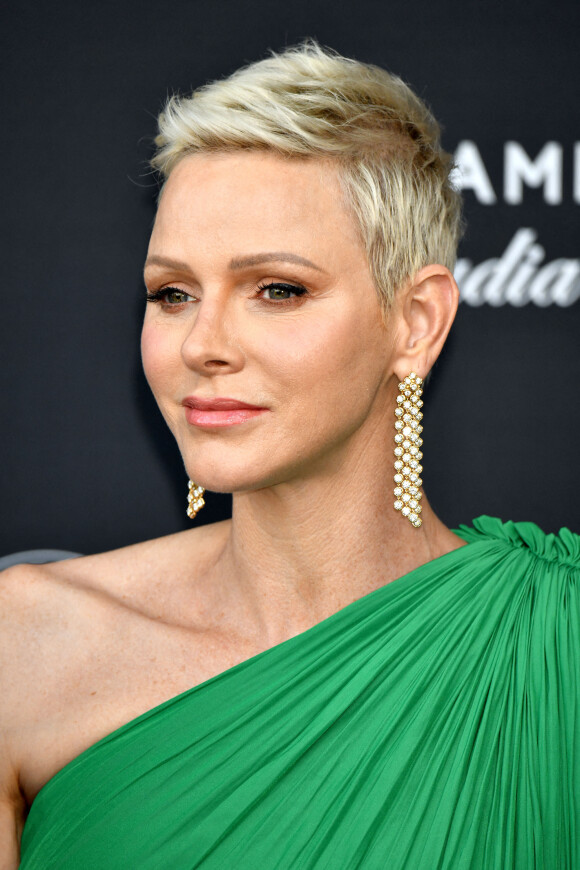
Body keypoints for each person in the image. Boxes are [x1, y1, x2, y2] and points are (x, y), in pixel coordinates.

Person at [1, 41, 578, 869]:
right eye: (173, 293)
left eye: (278, 289)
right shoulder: (24, 644)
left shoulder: (556, 643)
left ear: (415, 323)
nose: (202, 344)